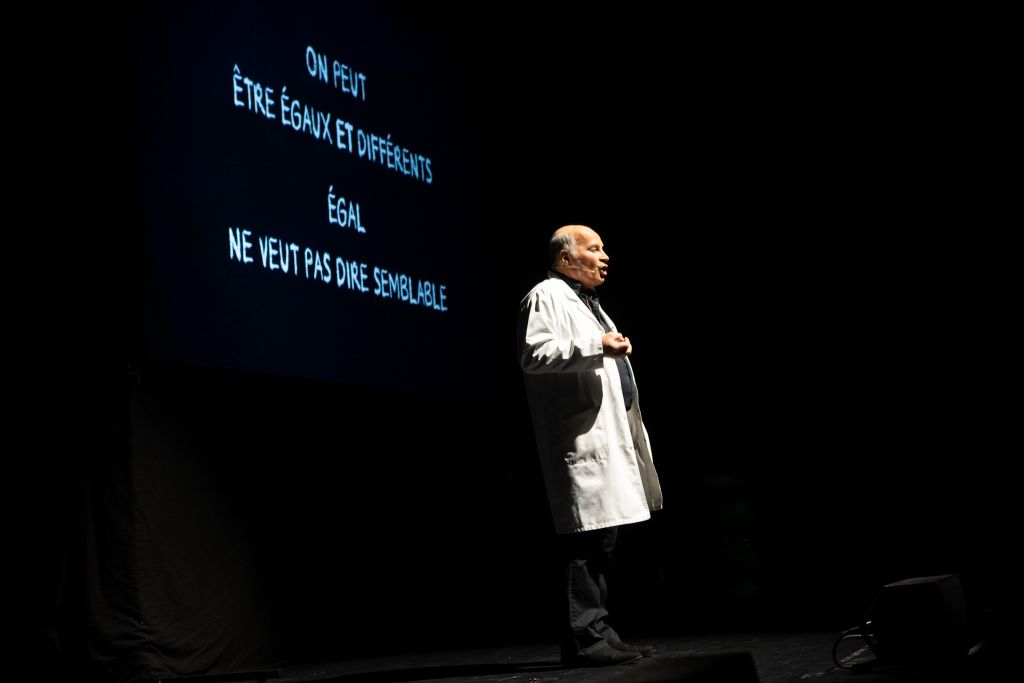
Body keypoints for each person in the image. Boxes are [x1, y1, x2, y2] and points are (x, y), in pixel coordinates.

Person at [518, 224, 663, 667]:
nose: (605, 257)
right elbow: (533, 354)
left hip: (606, 435)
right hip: (579, 440)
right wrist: (597, 344)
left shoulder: (586, 302)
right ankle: (584, 639)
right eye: (594, 249)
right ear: (566, 258)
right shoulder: (546, 295)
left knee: (603, 543)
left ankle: (600, 630)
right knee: (583, 545)